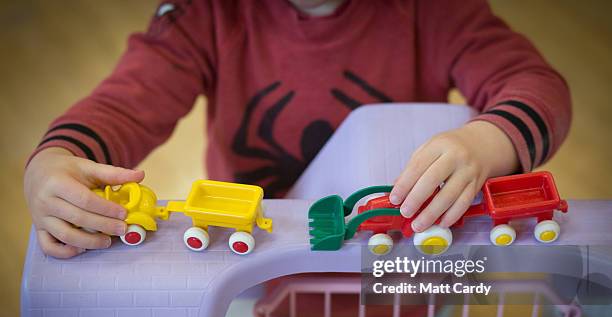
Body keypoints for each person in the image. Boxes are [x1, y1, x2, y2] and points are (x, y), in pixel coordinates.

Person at [24, 0, 571, 258]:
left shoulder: (436, 12)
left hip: (402, 251)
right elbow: (125, 104)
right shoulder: (203, 16)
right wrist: (62, 156)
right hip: (262, 256)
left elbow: (534, 84)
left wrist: (489, 140)